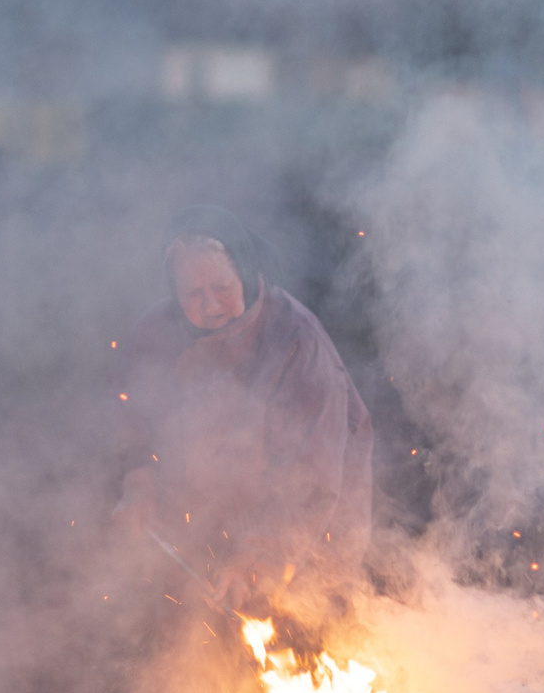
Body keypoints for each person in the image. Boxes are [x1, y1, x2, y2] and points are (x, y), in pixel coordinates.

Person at [108, 207, 373, 596]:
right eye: (193, 294)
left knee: (301, 627)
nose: (210, 304)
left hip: (307, 528)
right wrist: (138, 484)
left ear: (245, 275)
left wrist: (260, 561)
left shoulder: (296, 342)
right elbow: (133, 417)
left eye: (222, 287)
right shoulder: (154, 336)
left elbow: (312, 478)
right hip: (208, 524)